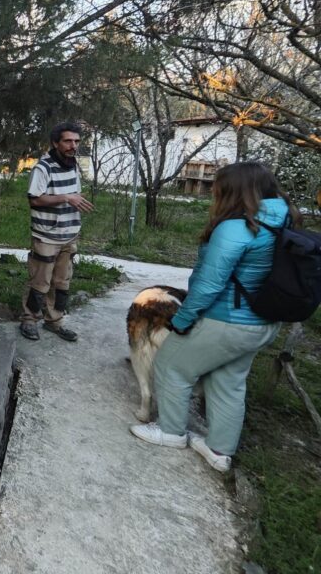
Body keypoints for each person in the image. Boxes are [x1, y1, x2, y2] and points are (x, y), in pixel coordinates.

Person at [129, 162, 297, 472]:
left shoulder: (237, 226)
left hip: (227, 320)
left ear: (235, 190)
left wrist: (182, 320)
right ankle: (219, 451)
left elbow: (210, 282)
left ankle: (170, 432)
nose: (215, 193)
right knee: (228, 381)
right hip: (263, 322)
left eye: (219, 187)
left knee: (172, 366)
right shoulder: (284, 219)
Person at [20, 122, 94, 342]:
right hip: (46, 236)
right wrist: (65, 198)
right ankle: (29, 320)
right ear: (55, 142)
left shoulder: (72, 166)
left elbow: (75, 195)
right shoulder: (43, 168)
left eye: (76, 141)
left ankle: (55, 321)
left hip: (69, 235)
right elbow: (34, 200)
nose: (73, 146)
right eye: (68, 141)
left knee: (62, 282)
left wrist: (74, 200)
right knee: (40, 282)